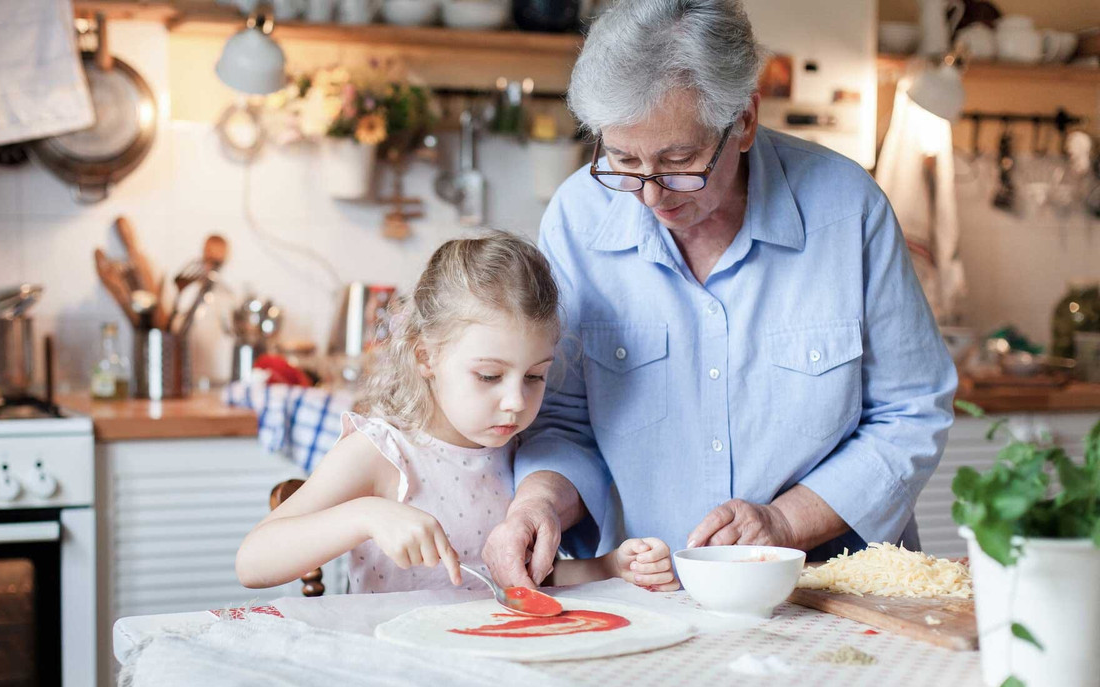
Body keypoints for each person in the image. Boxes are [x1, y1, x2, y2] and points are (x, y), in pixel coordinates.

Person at [482, 0, 958, 590]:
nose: (651, 196)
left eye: (678, 161)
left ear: (745, 121)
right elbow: (561, 421)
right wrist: (539, 507)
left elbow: (911, 411)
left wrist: (785, 520)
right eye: (624, 161)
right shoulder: (579, 219)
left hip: (828, 594)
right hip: (649, 599)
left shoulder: (847, 209)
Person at [236, 232, 679, 593]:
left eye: (534, 376)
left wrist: (610, 566)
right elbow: (253, 562)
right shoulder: (382, 454)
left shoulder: (523, 456)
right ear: (425, 356)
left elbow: (517, 583)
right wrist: (367, 515)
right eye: (489, 376)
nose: (516, 402)